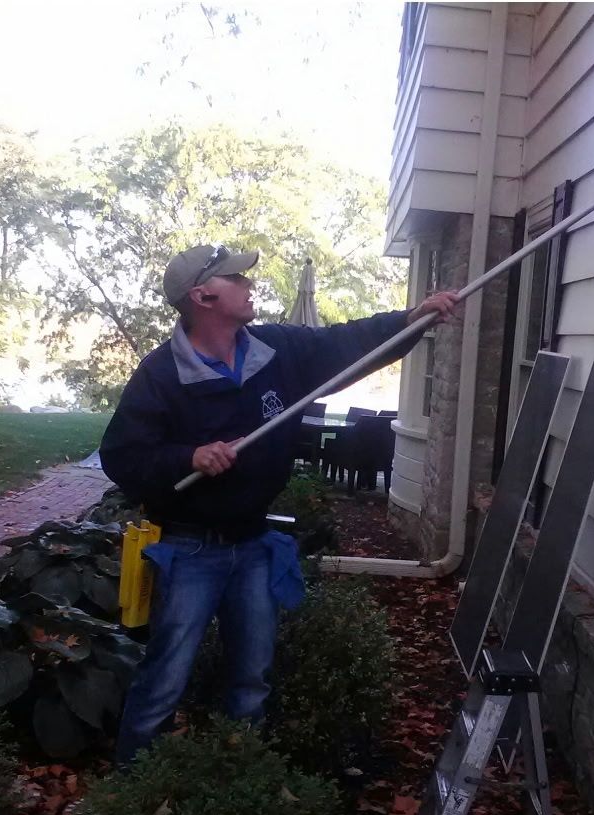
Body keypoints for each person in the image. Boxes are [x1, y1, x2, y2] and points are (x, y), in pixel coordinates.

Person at [100, 243, 459, 765]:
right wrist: (188, 457)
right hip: (189, 549)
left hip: (252, 545)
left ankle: (244, 781)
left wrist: (411, 319)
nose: (250, 287)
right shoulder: (161, 375)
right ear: (203, 295)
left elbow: (345, 343)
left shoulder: (275, 351)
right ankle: (130, 790)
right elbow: (122, 457)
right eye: (237, 280)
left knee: (252, 681)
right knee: (164, 680)